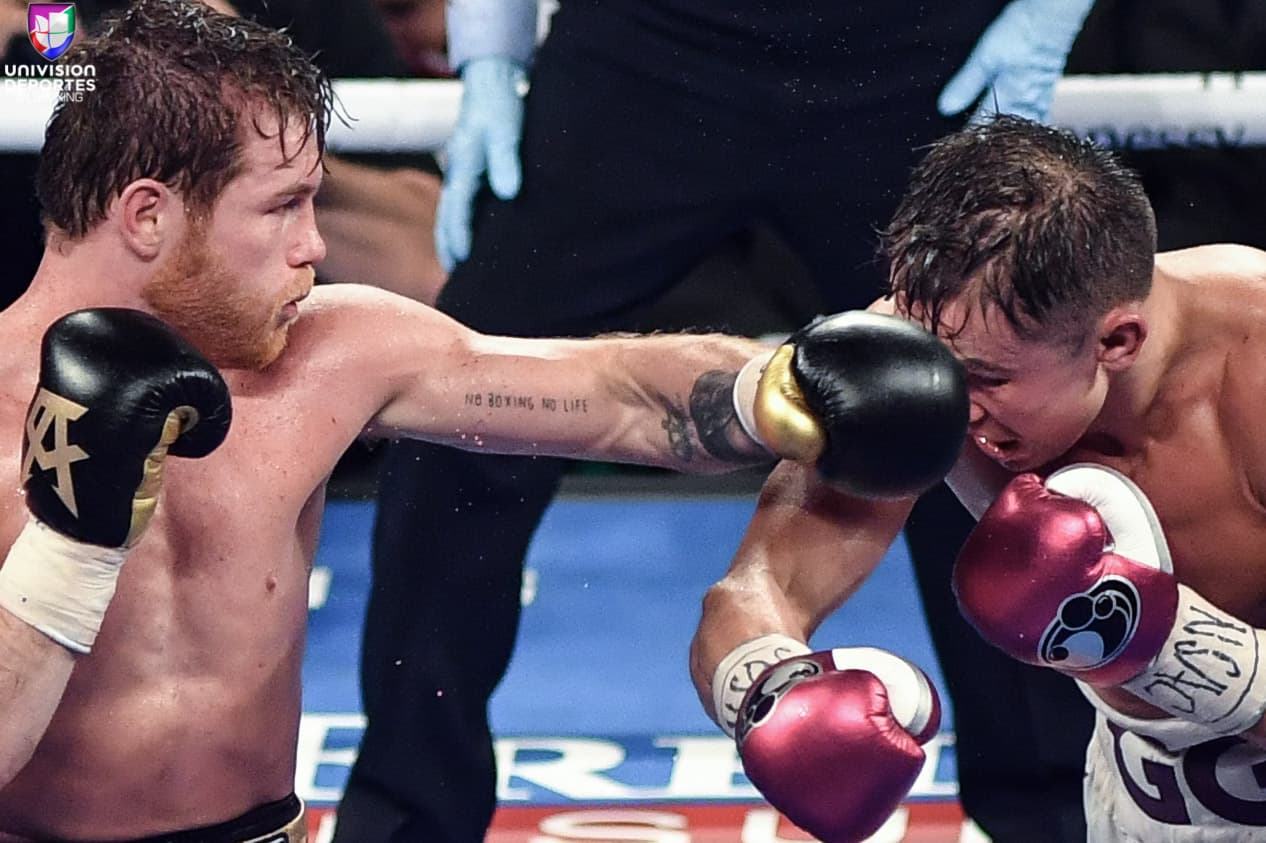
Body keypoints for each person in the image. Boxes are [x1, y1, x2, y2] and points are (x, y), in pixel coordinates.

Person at [0, 2, 972, 839]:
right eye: (283, 207)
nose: (316, 245)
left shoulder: (329, 352)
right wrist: (74, 541)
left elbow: (616, 395)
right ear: (146, 215)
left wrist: (783, 388)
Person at [345, 1, 1100, 841]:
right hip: (652, 48)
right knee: (466, 404)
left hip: (908, 52)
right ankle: (407, 817)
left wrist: (1046, 14)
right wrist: (489, 55)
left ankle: (1054, 816)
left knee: (970, 404)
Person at [692, 114, 1266, 842]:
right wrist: (768, 685)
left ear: (1116, 341)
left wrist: (1169, 646)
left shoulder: (1254, 367)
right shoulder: (923, 355)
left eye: (986, 378)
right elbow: (755, 589)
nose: (950, 409)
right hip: (1143, 806)